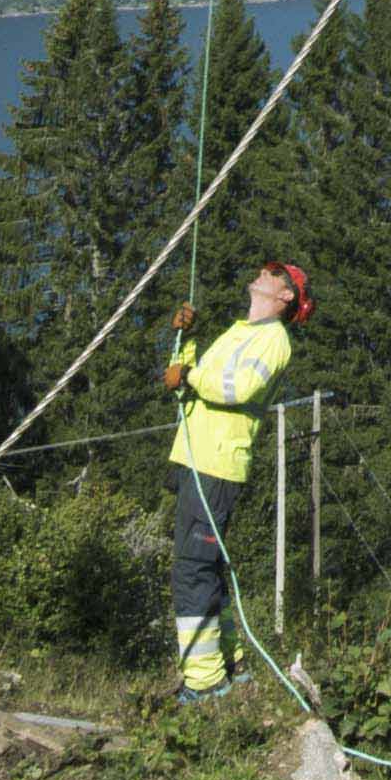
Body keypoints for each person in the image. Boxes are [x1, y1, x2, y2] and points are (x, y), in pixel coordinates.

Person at [163, 260, 308, 702]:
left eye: (274, 273)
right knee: (205, 568)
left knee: (193, 569)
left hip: (219, 463)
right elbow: (186, 382)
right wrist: (185, 342)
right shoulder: (238, 332)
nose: (263, 273)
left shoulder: (274, 340)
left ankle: (205, 684)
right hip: (197, 457)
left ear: (286, 297)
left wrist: (189, 374)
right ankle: (230, 665)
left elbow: (236, 388)